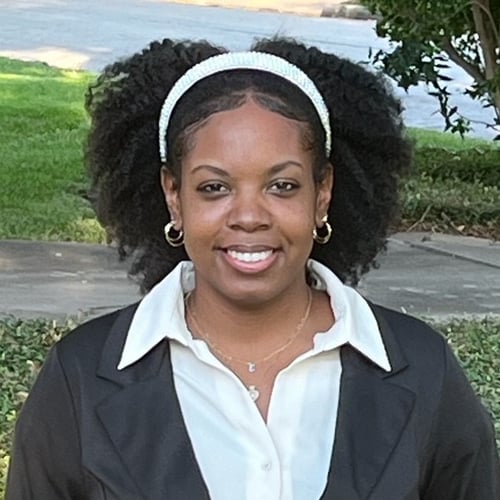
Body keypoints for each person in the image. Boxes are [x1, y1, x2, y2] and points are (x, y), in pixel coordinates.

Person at [6, 36, 499, 499]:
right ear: (173, 195)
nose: (248, 216)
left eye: (282, 186)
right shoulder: (79, 380)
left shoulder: (424, 371)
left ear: (322, 193)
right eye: (214, 188)